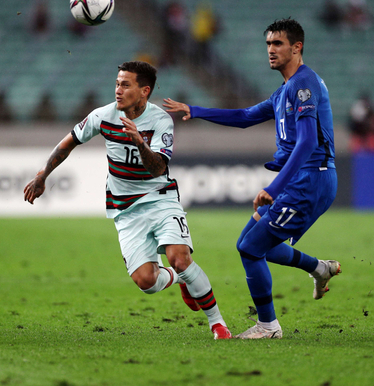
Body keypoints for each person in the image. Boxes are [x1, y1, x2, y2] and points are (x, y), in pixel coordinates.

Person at [24, 61, 231, 340]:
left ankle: (218, 324)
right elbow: (69, 142)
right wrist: (42, 175)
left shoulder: (160, 121)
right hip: (125, 208)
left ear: (144, 91)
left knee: (180, 258)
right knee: (146, 281)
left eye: (125, 85)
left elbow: (158, 168)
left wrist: (139, 142)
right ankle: (179, 277)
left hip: (160, 198)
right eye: (117, 83)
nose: (118, 90)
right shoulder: (103, 116)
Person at [164, 18, 341, 339]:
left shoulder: (304, 86)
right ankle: (319, 268)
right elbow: (245, 117)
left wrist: (273, 188)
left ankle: (268, 326)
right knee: (255, 243)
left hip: (310, 181)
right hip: (300, 181)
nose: (270, 50)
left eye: (277, 44)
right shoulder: (284, 91)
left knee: (249, 247)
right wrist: (196, 109)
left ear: (297, 47)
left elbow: (308, 142)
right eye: (268, 44)